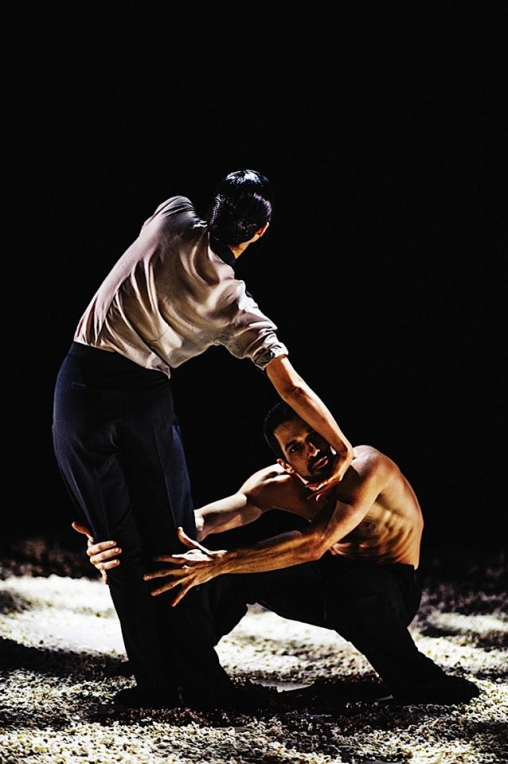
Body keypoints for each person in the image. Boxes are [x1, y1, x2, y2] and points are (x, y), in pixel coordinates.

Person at [53, 170, 353, 710]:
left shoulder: (171, 215)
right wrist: (343, 447)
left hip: (78, 389)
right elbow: (290, 386)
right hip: (143, 398)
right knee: (173, 540)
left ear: (214, 206)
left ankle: (154, 686)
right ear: (259, 233)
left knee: (116, 549)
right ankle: (201, 683)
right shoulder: (234, 303)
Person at [80, 402, 480, 705]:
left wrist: (220, 562)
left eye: (315, 435)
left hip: (387, 588)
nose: (313, 450)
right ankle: (188, 674)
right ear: (285, 463)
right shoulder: (276, 484)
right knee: (224, 572)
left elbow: (316, 542)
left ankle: (424, 685)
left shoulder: (367, 466)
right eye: (296, 447)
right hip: (329, 577)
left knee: (338, 589)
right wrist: (117, 543)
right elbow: (198, 522)